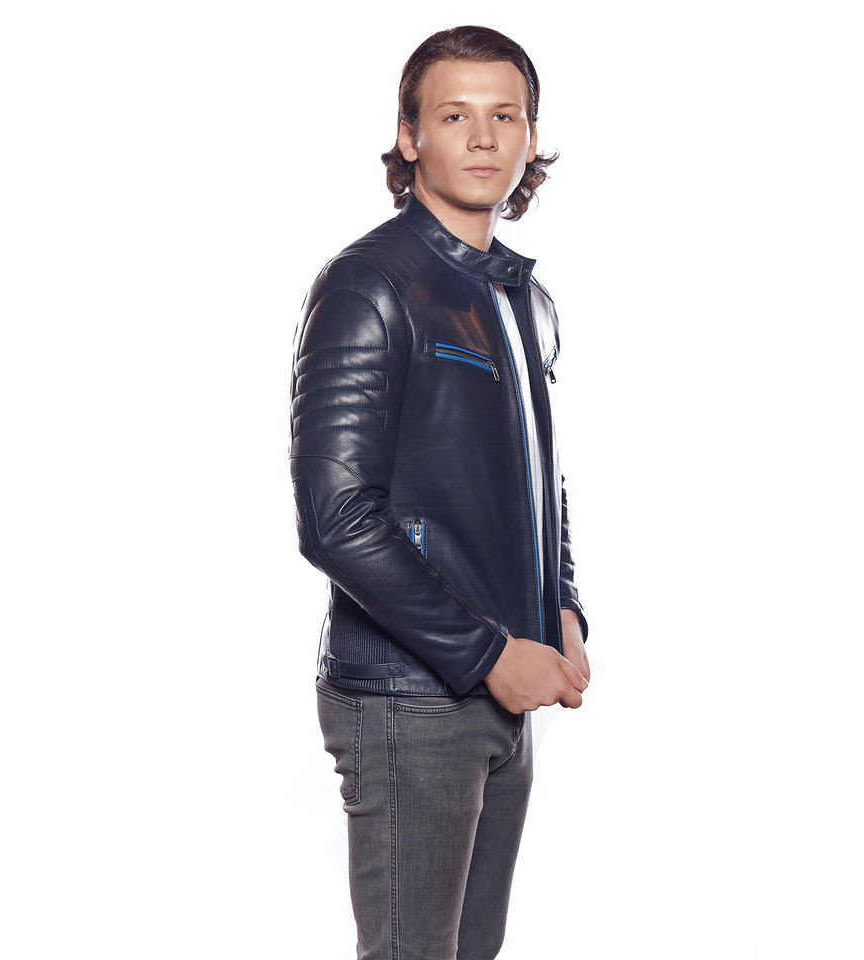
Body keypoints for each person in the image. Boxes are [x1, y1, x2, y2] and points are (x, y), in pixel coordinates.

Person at [288, 24, 591, 960]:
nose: (485, 137)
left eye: (507, 115)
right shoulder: (370, 285)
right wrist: (489, 652)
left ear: (531, 135)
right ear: (409, 136)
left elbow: (539, 470)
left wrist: (562, 605)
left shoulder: (522, 297)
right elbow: (335, 518)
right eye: (455, 115)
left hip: (503, 690)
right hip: (411, 696)